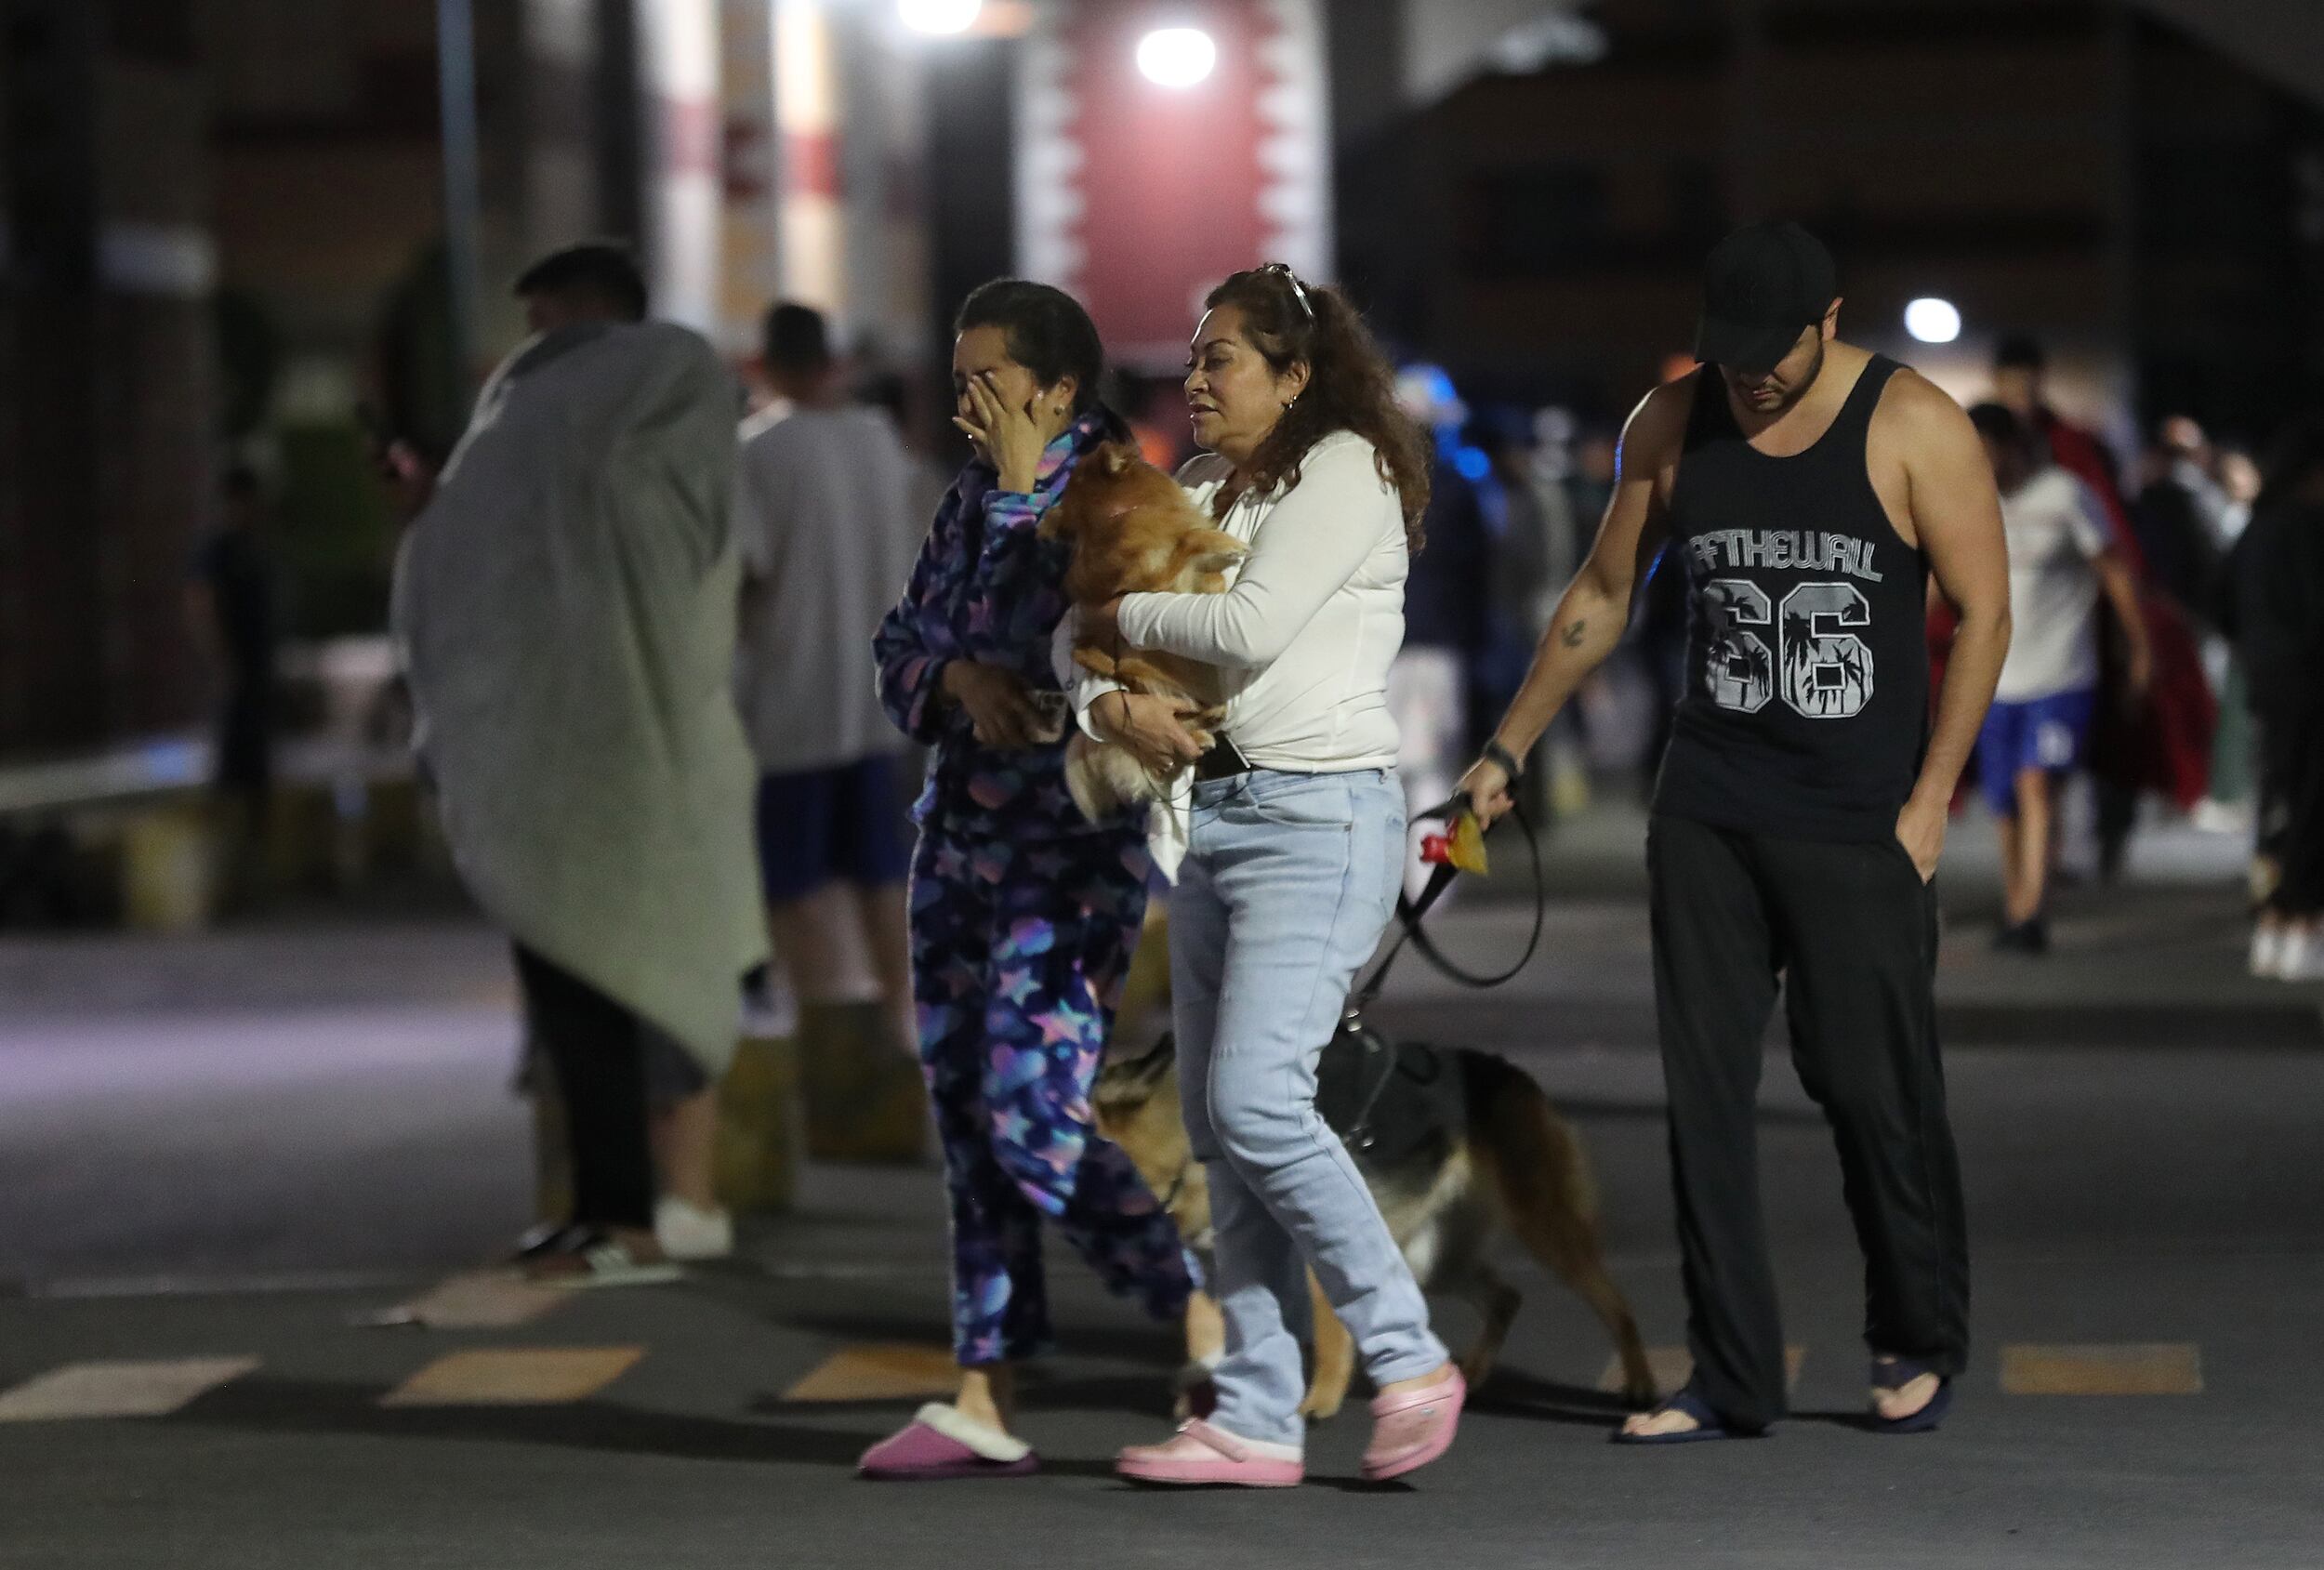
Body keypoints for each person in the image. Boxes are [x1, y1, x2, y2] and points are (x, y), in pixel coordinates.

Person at [1463, 222, 2010, 1442]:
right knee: (1703, 1094)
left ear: (1831, 321)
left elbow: (1981, 615)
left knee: (1870, 1087)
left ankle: (1918, 1334)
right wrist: (1505, 750)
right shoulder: (1670, 422)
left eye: (1775, 351)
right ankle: (1731, 1375)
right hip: (1708, 802)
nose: (1751, 374)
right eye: (1733, 352)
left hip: (1859, 815)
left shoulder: (1916, 424)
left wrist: (1929, 803)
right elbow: (1604, 594)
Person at [1085, 264, 1463, 1488]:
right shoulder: (1199, 485)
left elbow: (1245, 629)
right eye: (1192, 359)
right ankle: (1254, 1412)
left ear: (1296, 376)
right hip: (1213, 826)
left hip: (1322, 818)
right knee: (1213, 1127)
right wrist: (1107, 702)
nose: (1194, 380)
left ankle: (1408, 1354)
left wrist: (1127, 617)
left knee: (1254, 1100)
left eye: (1222, 360)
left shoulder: (1341, 467)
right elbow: (1068, 631)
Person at [858, 280, 1192, 1481]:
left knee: (1029, 1111)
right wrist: (953, 687)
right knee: (962, 1118)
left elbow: (1061, 633)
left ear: (1056, 388)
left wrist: (1008, 519)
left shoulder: (1119, 500)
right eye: (956, 376)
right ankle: (982, 1390)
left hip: (1068, 853)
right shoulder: (965, 499)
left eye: (984, 377)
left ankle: (1196, 1302)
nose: (962, 396)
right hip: (956, 840)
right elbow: (903, 645)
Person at [390, 244, 764, 1285]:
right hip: (563, 755)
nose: (536, 345)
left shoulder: (644, 388)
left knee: (648, 988)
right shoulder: (552, 422)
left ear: (580, 310)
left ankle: (660, 1212)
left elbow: (618, 526)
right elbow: (488, 546)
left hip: (648, 747)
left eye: (543, 315)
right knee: (574, 994)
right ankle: (609, 1208)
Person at [733, 302, 921, 1065]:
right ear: (833, 362)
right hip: (875, 704)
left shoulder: (754, 453)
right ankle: (901, 1029)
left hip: (789, 705)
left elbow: (744, 575)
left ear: (764, 365)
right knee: (881, 873)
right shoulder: (883, 446)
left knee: (796, 885)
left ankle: (835, 1045)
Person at [1970, 403, 2152, 954]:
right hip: (1997, 680)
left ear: (2009, 446)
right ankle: (2016, 904)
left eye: (1983, 448)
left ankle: (2033, 915)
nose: (1974, 460)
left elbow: (2114, 572)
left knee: (2037, 784)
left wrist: (2139, 647)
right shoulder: (1976, 502)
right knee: (2003, 801)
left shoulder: (2067, 495)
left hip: (2062, 676)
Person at [2222, 415, 2324, 980]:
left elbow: (2219, 600)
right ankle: (2302, 923)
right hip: (2309, 684)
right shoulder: (2308, 526)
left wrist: (2254, 649)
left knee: (2277, 801)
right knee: (2311, 806)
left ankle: (2271, 926)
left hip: (2265, 681)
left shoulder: (2253, 529)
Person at [1387, 366, 1492, 898]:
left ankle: (1390, 885)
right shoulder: (1458, 486)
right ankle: (1430, 884)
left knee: (1385, 771)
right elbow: (1480, 571)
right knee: (1431, 769)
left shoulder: (1373, 479)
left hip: (1382, 647)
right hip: (1437, 648)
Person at [186, 466, 280, 905]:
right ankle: (225, 878)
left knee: (258, 778)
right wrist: (223, 662)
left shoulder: (255, 549)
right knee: (230, 779)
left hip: (258, 675)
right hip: (238, 676)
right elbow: (203, 604)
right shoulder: (218, 550)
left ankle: (255, 873)